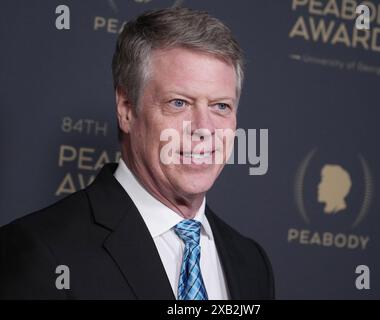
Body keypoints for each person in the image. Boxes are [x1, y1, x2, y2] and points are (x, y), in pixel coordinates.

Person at [0, 7, 275, 300]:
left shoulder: (251, 263)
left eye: (221, 106)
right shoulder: (39, 252)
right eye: (179, 103)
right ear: (127, 110)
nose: (204, 129)